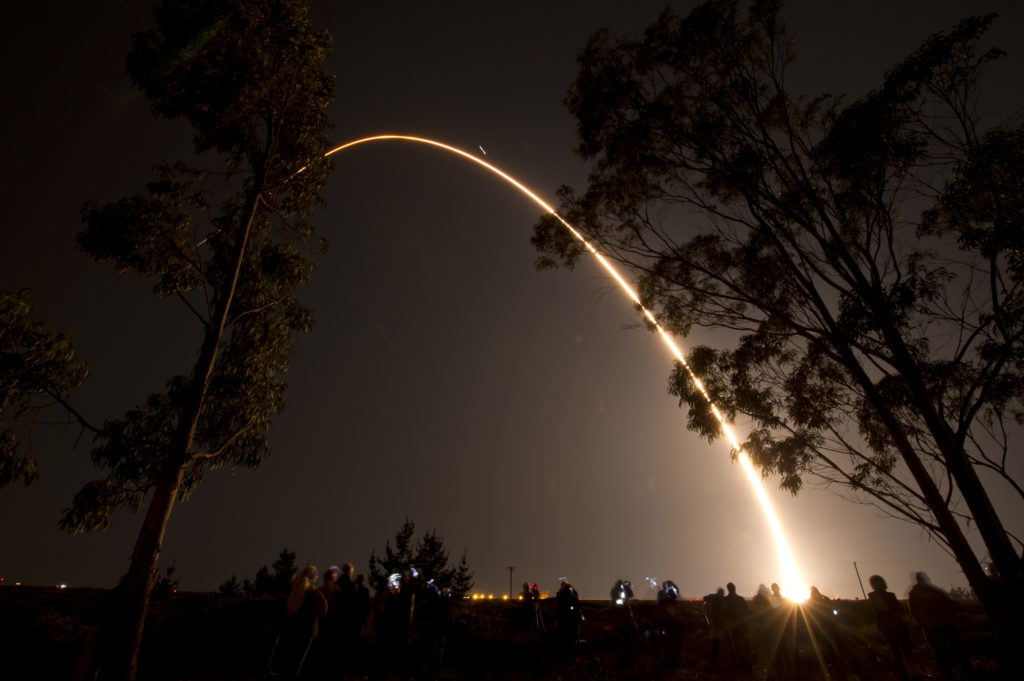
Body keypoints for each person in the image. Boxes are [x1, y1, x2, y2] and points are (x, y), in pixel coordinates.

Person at [908, 571, 976, 681]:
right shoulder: (933, 591)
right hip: (945, 625)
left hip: (933, 628)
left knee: (942, 656)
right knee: (958, 653)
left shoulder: (915, 593)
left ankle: (952, 675)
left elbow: (915, 613)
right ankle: (969, 674)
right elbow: (950, 604)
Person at [271, 565, 329, 680]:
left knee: (288, 655)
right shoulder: (312, 591)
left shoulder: (295, 588)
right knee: (298, 659)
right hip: (307, 629)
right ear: (313, 576)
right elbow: (323, 609)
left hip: (292, 626)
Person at [868, 574, 913, 681]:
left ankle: (908, 674)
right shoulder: (882, 596)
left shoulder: (877, 596)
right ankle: (908, 675)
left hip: (893, 626)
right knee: (901, 652)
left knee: (900, 652)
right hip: (893, 627)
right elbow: (887, 609)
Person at [723, 582, 752, 667]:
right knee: (745, 643)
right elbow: (747, 610)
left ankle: (740, 662)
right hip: (742, 624)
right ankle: (747, 662)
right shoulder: (741, 599)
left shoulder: (726, 600)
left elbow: (724, 612)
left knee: (737, 644)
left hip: (734, 625)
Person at [611, 579, 637, 668]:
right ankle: (623, 662)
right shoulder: (615, 592)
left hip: (625, 622)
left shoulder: (623, 592)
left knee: (628, 644)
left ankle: (629, 661)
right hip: (620, 622)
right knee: (622, 644)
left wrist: (627, 587)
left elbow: (631, 595)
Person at [555, 580, 583, 662]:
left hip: (565, 622)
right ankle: (571, 657)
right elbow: (578, 609)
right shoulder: (572, 599)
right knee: (572, 640)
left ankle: (565, 657)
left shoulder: (562, 598)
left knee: (565, 639)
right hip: (571, 623)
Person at [703, 587, 728, 667]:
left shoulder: (712, 598)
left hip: (715, 623)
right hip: (720, 624)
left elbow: (705, 600)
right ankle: (717, 659)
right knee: (720, 642)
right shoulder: (722, 600)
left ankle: (714, 659)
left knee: (716, 642)